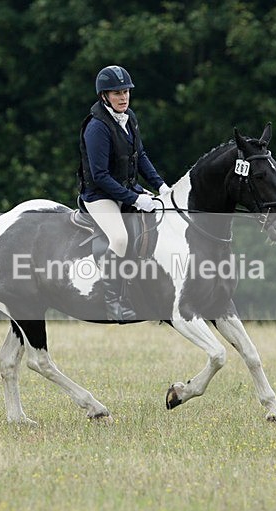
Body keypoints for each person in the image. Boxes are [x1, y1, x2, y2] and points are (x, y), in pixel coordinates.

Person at [78, 65, 171, 322]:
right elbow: (100, 176)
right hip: (100, 195)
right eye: (117, 93)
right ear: (104, 96)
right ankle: (113, 304)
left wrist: (161, 186)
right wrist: (136, 199)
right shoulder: (97, 127)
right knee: (119, 238)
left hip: (126, 189)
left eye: (126, 92)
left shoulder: (129, 117)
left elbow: (140, 156)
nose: (123, 97)